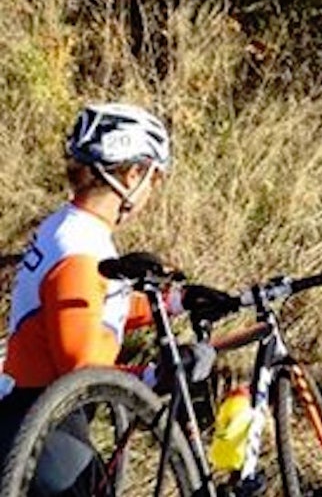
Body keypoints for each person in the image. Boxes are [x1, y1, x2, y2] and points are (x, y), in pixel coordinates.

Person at [0, 104, 211, 493]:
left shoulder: (75, 228)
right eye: (154, 178)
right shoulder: (79, 249)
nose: (152, 191)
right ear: (132, 174)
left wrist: (175, 302)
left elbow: (96, 307)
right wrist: (154, 376)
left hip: (38, 415)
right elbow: (83, 372)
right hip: (39, 423)